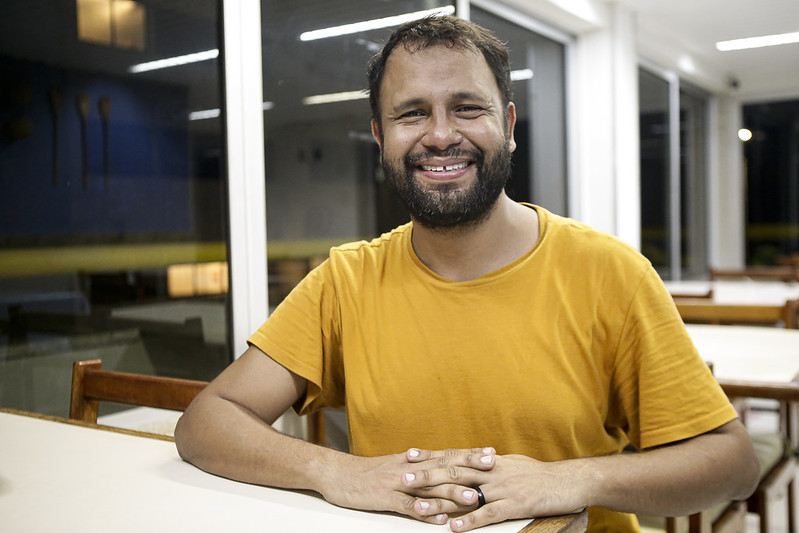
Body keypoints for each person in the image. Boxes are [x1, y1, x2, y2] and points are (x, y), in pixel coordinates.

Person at [175, 15, 759, 532]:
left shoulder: (609, 273)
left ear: (507, 124)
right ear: (381, 138)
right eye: (411, 114)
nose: (439, 134)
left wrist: (569, 481)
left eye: (466, 107)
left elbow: (732, 466)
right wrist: (335, 471)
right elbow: (207, 423)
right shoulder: (346, 280)